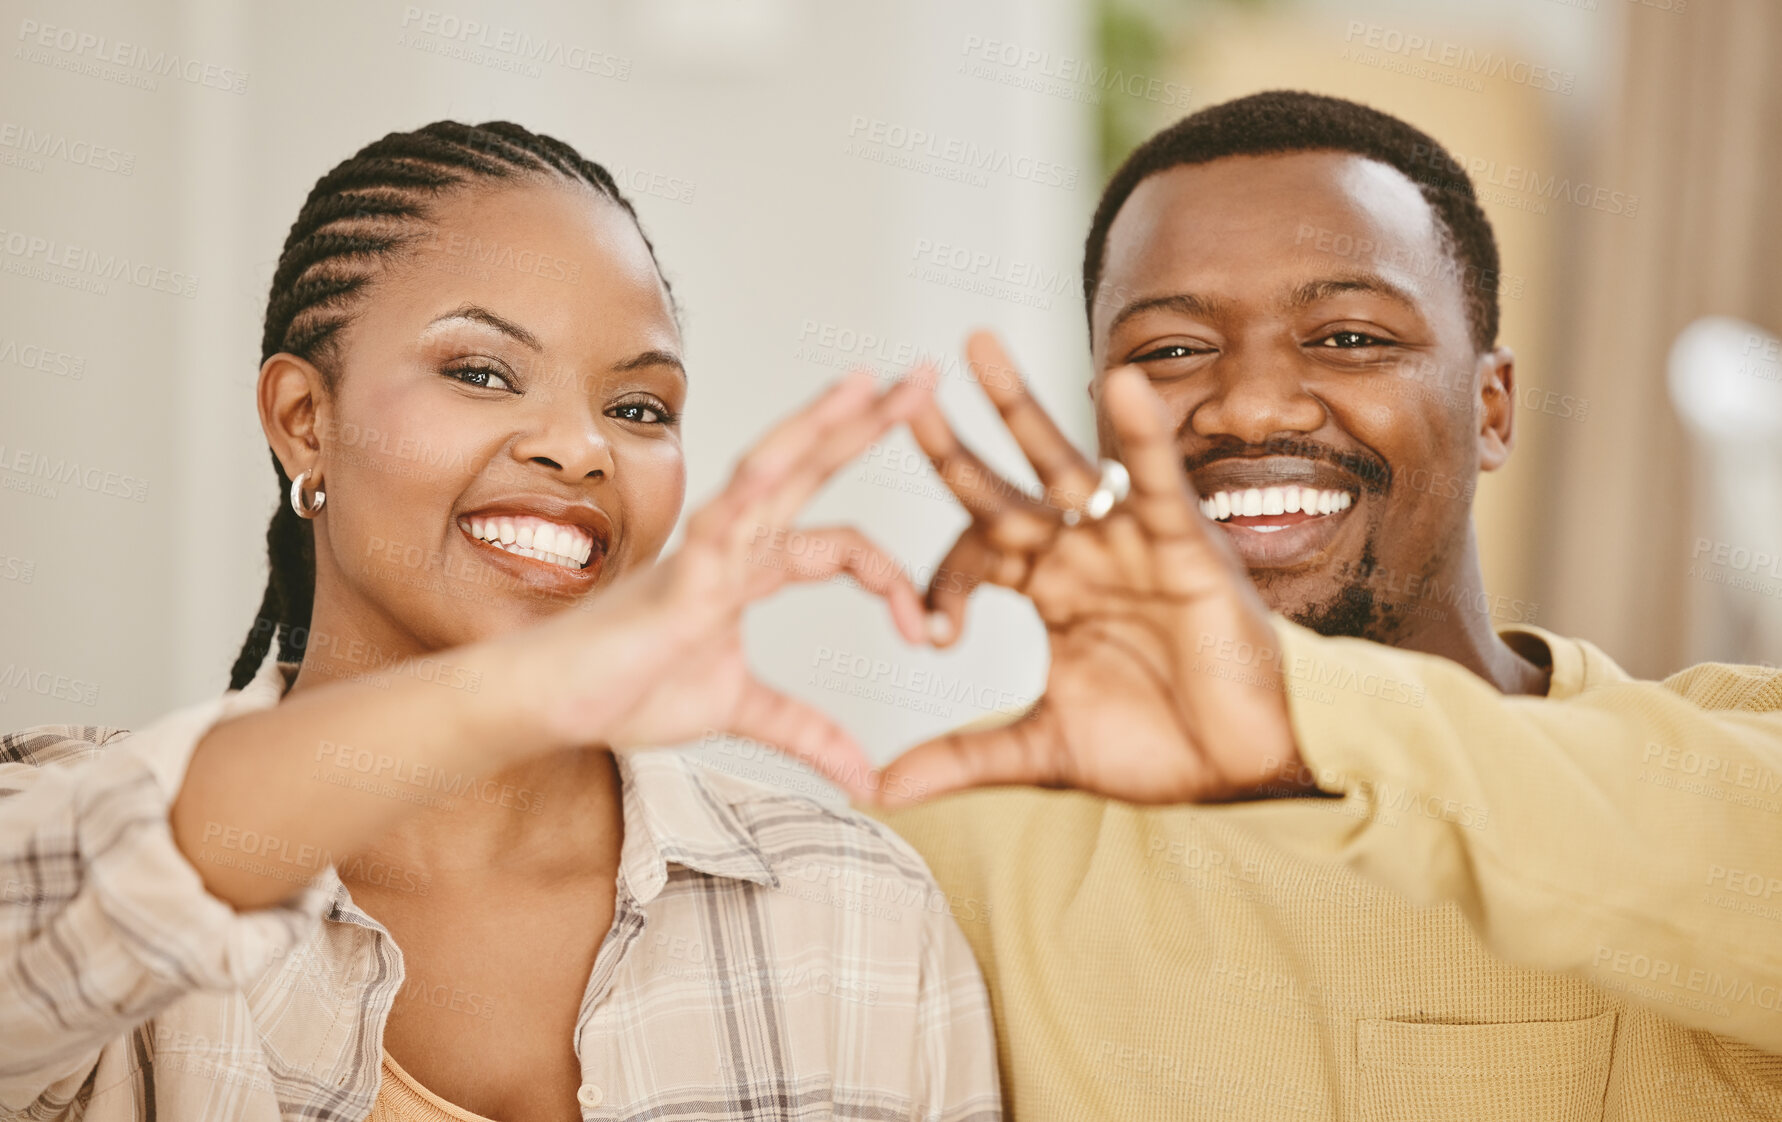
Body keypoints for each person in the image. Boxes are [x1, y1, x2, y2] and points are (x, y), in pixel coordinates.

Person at [0, 121, 999, 1122]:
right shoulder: (57, 820)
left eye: (641, 408)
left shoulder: (862, 915)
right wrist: (520, 691)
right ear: (306, 420)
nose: (580, 448)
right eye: (480, 372)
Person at [866, 91, 1782, 1119]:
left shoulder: (1737, 756)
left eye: (1349, 337)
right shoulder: (949, 851)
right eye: (1170, 350)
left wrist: (1306, 721)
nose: (1253, 406)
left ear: (1492, 407)